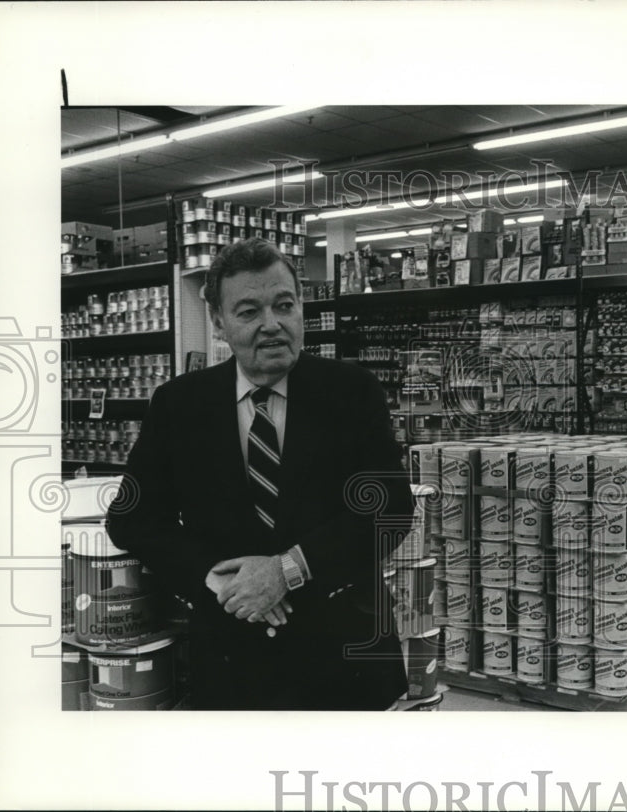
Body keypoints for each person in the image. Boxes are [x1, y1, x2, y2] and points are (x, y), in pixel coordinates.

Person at [107, 238, 413, 710]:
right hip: (233, 661)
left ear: (300, 307)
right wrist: (217, 580)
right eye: (249, 312)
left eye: (284, 305)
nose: (272, 325)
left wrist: (286, 570)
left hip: (347, 658)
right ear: (218, 322)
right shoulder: (179, 405)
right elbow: (133, 518)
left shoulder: (353, 392)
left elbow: (390, 508)